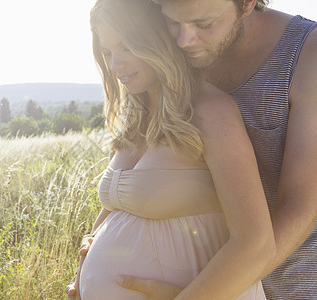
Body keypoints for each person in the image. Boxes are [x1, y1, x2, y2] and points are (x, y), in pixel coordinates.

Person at [67, 0, 317, 299]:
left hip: (289, 284)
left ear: (248, 3)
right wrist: (91, 254)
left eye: (204, 24)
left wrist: (209, 289)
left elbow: (300, 206)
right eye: (172, 22)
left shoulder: (306, 54)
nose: (184, 41)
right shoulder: (169, 75)